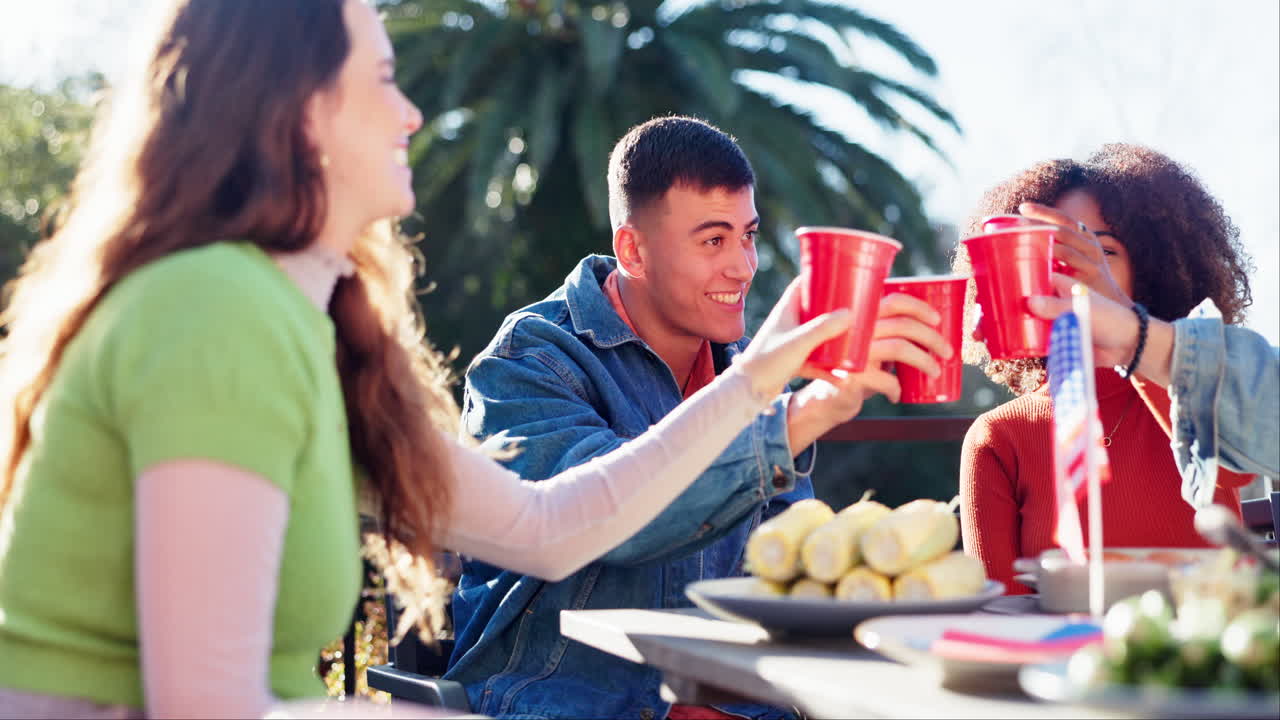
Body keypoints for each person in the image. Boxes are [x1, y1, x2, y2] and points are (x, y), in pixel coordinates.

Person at [0, 2, 860, 718]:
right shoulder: (217, 310)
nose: (410, 111)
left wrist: (759, 382)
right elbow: (206, 707)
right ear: (298, 113)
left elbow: (549, 528)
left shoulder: (309, 327)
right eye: (380, 79)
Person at [445, 116, 952, 720]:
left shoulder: (752, 374)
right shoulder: (532, 363)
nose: (744, 266)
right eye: (714, 241)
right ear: (633, 249)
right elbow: (599, 518)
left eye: (748, 236)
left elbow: (786, 568)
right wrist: (790, 419)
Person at [952, 144, 1257, 593]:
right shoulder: (999, 437)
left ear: (1155, 269)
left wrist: (1128, 334)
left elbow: (1235, 470)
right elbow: (1001, 609)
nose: (1075, 272)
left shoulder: (1196, 387)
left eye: (1102, 252)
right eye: (1047, 254)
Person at [1029, 276, 1280, 481]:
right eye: (1051, 263)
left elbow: (1231, 476)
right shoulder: (1005, 430)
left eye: (1105, 251)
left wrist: (1139, 340)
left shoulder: (1180, 402)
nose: (1075, 279)